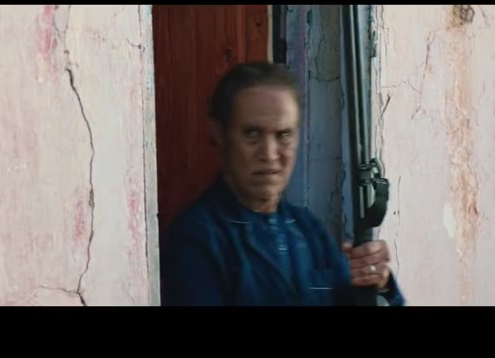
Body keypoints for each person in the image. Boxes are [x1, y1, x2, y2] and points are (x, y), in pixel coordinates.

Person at [160, 61, 404, 306]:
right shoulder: (197, 239)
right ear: (220, 133)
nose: (269, 153)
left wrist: (378, 284)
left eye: (283, 135)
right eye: (252, 134)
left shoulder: (309, 230)